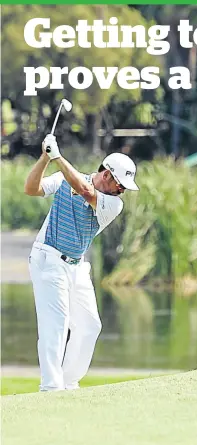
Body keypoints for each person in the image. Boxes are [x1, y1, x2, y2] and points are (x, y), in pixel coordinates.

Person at [24, 134, 139, 391]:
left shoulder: (113, 204)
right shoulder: (65, 179)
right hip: (48, 259)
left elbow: (86, 191)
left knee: (89, 325)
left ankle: (68, 380)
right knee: (56, 324)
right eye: (120, 185)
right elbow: (31, 189)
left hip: (77, 266)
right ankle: (52, 388)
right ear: (107, 174)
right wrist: (45, 159)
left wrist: (57, 157)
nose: (122, 191)